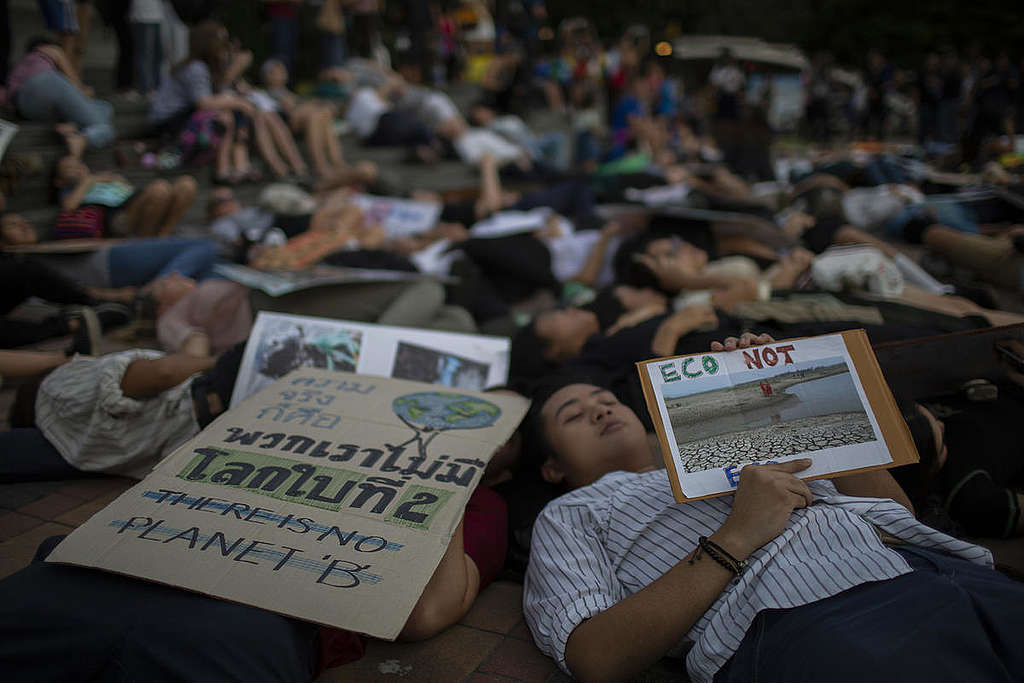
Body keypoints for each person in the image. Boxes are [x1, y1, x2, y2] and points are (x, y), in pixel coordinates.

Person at [521, 334, 1024, 683]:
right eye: (575, 416)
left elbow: (897, 514)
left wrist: (786, 392)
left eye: (604, 399)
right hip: (819, 622)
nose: (601, 410)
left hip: (950, 573)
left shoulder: (724, 437)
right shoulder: (573, 512)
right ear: (551, 467)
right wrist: (735, 536)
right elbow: (594, 658)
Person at [1, 38, 115, 150]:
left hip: (24, 106)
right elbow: (77, 85)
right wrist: (83, 90)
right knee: (104, 128)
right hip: (46, 83)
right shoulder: (48, 49)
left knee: (104, 107)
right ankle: (81, 138)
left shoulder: (22, 65)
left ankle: (74, 128)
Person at [52, 155, 197, 237]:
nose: (76, 168)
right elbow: (69, 206)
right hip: (117, 216)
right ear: (59, 181)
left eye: (78, 164)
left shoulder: (102, 178)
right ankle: (146, 240)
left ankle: (163, 234)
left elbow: (126, 187)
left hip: (136, 203)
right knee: (159, 189)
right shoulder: (69, 190)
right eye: (68, 167)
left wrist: (107, 178)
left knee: (187, 184)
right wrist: (88, 180)